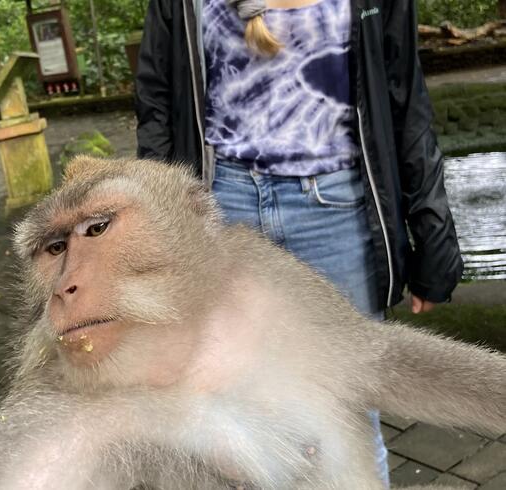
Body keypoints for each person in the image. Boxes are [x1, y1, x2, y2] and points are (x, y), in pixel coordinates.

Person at [134, 0, 464, 486]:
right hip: (222, 215)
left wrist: (434, 240)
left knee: (344, 416)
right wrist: (156, 231)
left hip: (337, 215)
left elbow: (405, 103)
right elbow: (156, 104)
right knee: (239, 407)